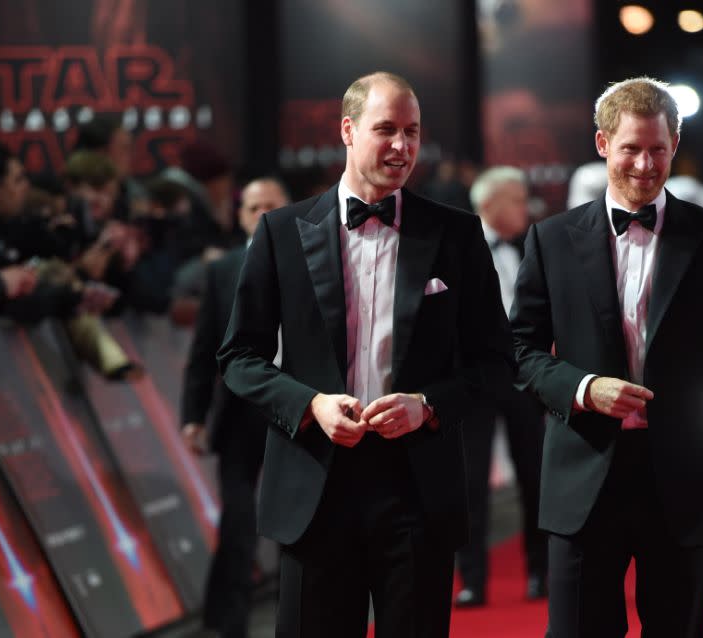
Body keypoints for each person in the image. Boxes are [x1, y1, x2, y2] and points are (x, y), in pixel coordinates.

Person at [217, 72, 511, 638]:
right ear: (348, 131)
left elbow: (497, 361)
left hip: (418, 488)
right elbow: (239, 356)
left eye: (412, 131)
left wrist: (426, 406)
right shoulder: (280, 231)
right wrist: (310, 406)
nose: (401, 146)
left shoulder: (456, 234)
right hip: (315, 487)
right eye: (385, 130)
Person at [510, 77, 703, 637]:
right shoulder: (550, 240)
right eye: (631, 148)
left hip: (685, 477)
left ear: (675, 144)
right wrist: (583, 389)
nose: (645, 164)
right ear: (603, 143)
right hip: (583, 472)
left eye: (658, 148)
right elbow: (519, 350)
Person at [180, 176, 291, 638]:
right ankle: (228, 627)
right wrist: (192, 415)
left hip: (301, 407)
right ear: (240, 215)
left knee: (296, 523)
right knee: (239, 523)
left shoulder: (317, 259)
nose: (262, 214)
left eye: (272, 206)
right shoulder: (223, 270)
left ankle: (301, 619)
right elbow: (204, 350)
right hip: (239, 411)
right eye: (252, 207)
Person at [455, 166, 547, 607]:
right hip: (472, 381)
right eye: (516, 198)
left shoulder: (533, 246)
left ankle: (541, 572)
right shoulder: (457, 248)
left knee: (535, 476)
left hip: (524, 379)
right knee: (468, 484)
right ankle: (472, 580)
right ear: (489, 203)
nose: (525, 208)